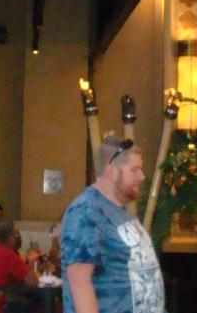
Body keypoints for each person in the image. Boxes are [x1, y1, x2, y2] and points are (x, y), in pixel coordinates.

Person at [61, 134, 164, 313]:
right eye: (134, 170)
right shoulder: (86, 211)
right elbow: (80, 280)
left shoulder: (119, 211)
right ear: (111, 171)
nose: (142, 176)